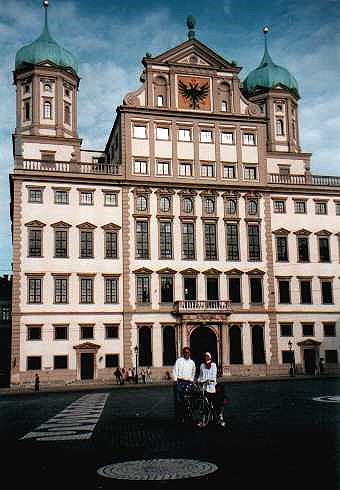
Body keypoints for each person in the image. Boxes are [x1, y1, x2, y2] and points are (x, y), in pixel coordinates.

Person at [198, 352, 225, 427]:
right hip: (204, 388)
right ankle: (203, 419)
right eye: (205, 356)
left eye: (207, 356)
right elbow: (200, 376)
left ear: (210, 357)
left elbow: (213, 376)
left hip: (212, 388)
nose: (206, 357)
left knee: (215, 404)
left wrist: (208, 380)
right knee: (204, 405)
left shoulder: (213, 365)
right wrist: (199, 380)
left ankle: (219, 418)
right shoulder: (202, 365)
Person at [172, 347, 196, 423]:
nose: (186, 354)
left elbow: (193, 372)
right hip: (179, 382)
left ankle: (187, 417)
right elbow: (175, 370)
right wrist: (175, 380)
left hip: (188, 383)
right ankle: (179, 418)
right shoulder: (179, 361)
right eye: (185, 352)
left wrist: (191, 381)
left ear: (190, 353)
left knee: (188, 401)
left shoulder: (192, 362)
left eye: (188, 352)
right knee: (179, 400)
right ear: (183, 353)